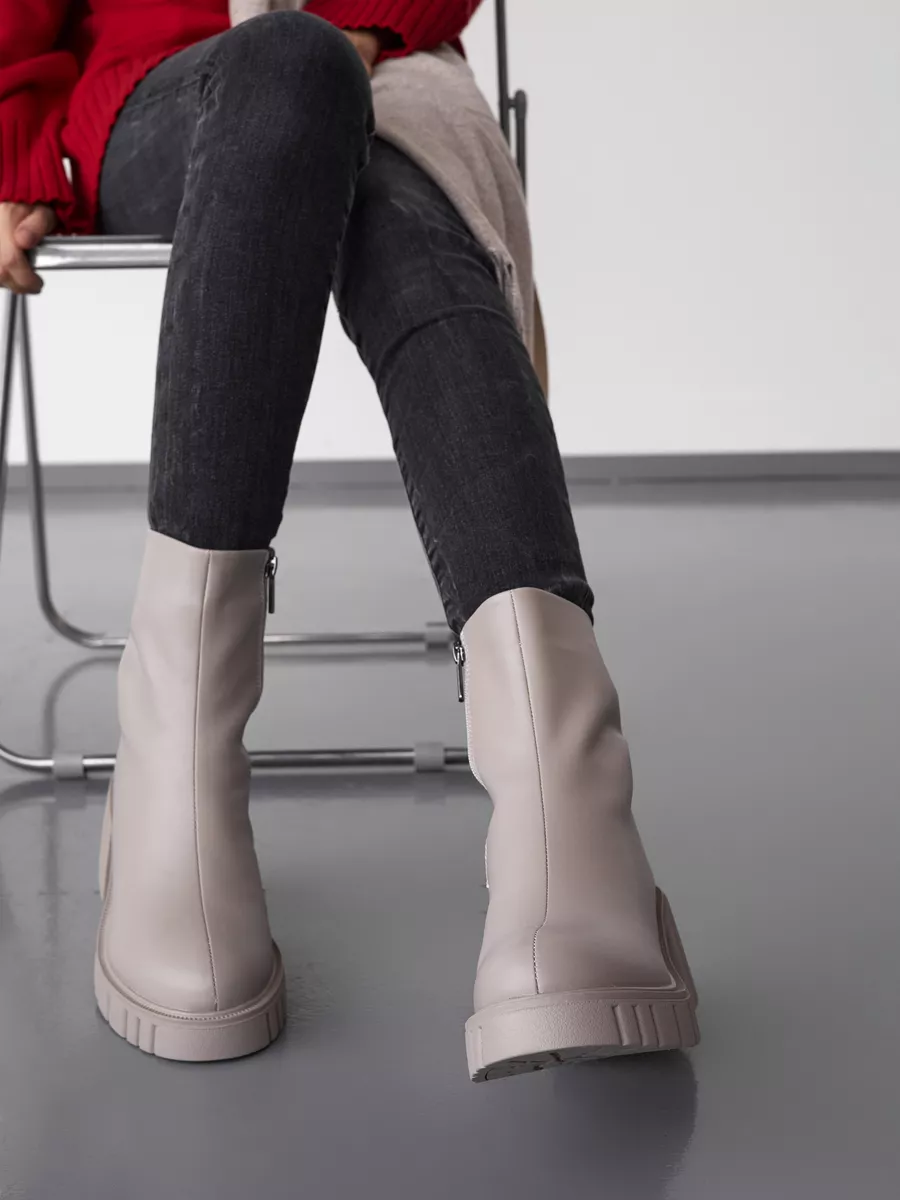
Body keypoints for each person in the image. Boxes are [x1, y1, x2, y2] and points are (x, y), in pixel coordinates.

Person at [0, 1, 699, 1081]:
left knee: (382, 181)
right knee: (293, 66)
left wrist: (366, 26)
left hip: (399, 70)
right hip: (158, 96)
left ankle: (544, 799)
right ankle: (573, 848)